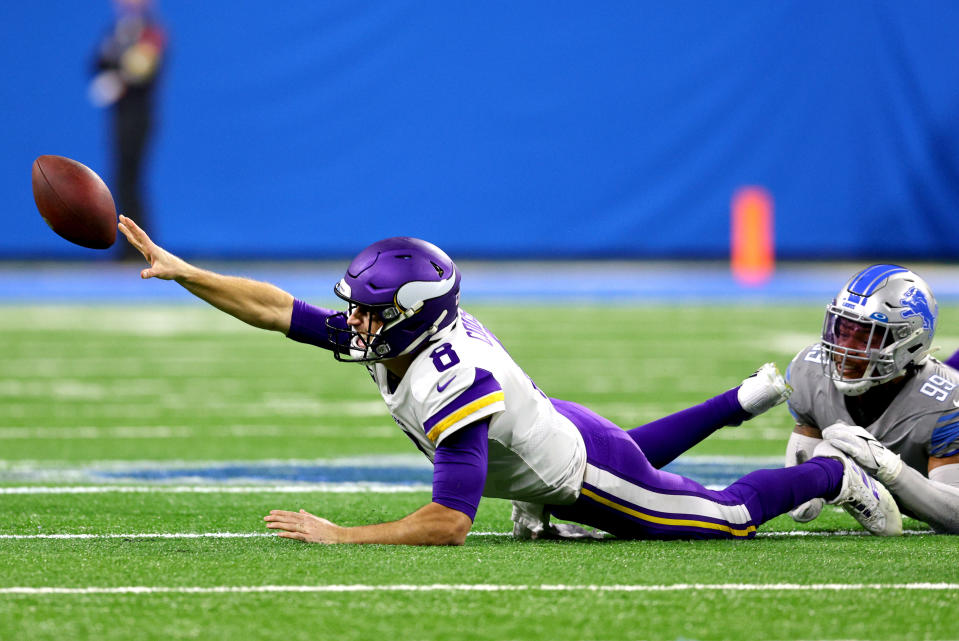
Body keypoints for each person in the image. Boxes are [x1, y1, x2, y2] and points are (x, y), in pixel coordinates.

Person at [117, 215, 903, 544]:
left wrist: (341, 533)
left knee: (722, 517)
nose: (352, 321)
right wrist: (185, 271)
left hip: (578, 473)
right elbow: (270, 308)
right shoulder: (400, 336)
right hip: (550, 430)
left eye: (368, 310)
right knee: (628, 452)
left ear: (412, 315)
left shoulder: (446, 378)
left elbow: (449, 522)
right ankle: (735, 403)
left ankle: (836, 472)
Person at [783, 264, 959, 533]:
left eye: (867, 335)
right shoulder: (810, 372)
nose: (845, 350)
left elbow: (954, 516)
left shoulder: (944, 399)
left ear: (910, 341)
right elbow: (801, 483)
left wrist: (890, 469)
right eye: (843, 330)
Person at [89, 0, 167, 259]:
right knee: (121, 180)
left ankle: (140, 248)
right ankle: (126, 247)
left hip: (139, 117)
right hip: (119, 118)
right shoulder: (115, 31)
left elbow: (141, 69)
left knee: (132, 179)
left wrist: (117, 81)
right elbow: (96, 62)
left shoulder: (151, 31)